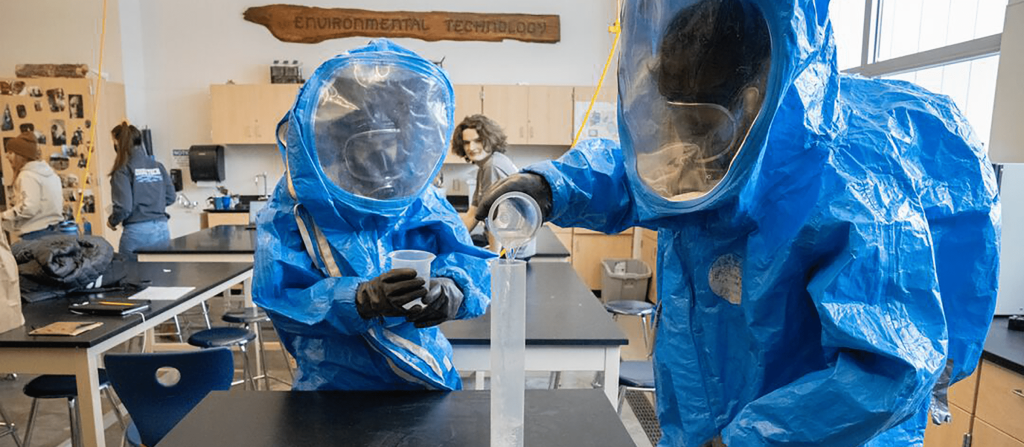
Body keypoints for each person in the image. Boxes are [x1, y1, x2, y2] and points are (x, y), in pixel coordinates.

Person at [476, 1, 999, 445]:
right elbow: (633, 170)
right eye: (673, 116)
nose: (683, 141)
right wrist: (552, 186)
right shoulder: (714, 148)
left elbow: (889, 371)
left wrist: (743, 438)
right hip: (703, 416)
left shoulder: (855, 197)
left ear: (755, 100)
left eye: (698, 121)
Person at [252, 39, 492, 391]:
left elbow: (465, 259)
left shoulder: (414, 193)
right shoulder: (298, 205)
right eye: (366, 136)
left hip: (422, 376)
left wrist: (453, 288)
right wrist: (359, 299)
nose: (383, 154)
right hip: (334, 387)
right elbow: (280, 298)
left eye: (391, 135)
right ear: (332, 135)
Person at [107, 122, 175, 259]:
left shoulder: (122, 170)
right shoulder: (157, 166)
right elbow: (170, 197)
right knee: (161, 275)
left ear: (118, 144)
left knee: (129, 275)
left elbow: (124, 207)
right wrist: (152, 206)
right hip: (162, 230)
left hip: (137, 233)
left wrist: (112, 221)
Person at [450, 114, 519, 232]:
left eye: (478, 141)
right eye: (467, 142)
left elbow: (496, 219)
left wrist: (492, 251)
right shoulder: (484, 167)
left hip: (511, 245)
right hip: (504, 241)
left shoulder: (493, 166)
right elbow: (473, 213)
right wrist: (454, 239)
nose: (471, 148)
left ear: (489, 140)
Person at [2, 131, 63, 241]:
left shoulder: (27, 176)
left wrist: (4, 216)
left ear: (20, 155)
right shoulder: (49, 173)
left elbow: (29, 208)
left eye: (10, 153)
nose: (6, 156)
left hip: (36, 235)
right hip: (54, 231)